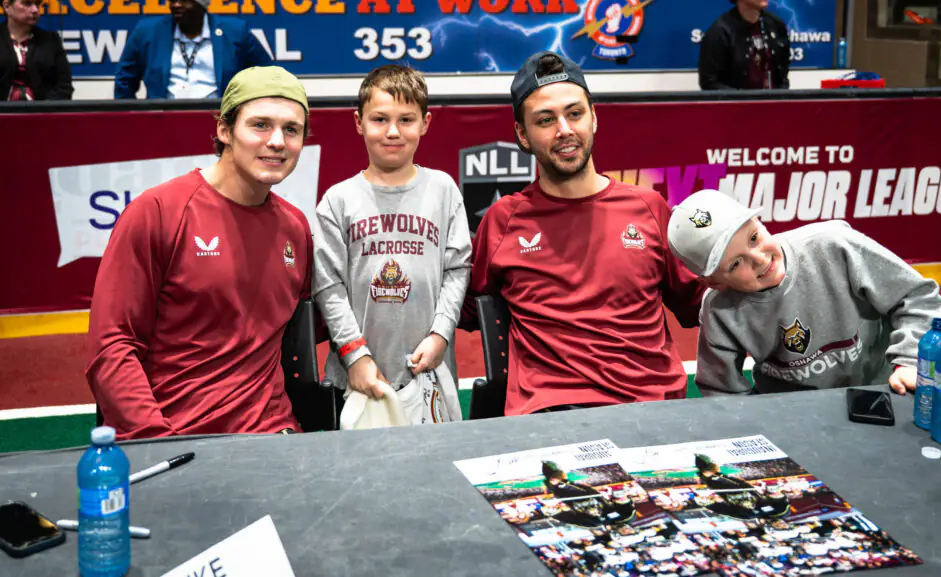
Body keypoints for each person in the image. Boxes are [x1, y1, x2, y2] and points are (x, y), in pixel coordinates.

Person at [460, 51, 705, 415]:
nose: (564, 130)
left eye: (574, 113)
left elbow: (699, 303)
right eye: (545, 120)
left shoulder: (649, 208)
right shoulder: (503, 220)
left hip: (653, 411)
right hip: (552, 416)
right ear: (522, 134)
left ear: (594, 117)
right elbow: (463, 307)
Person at [86, 66, 312, 439]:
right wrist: (155, 440)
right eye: (260, 125)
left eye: (292, 129)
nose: (277, 141)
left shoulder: (295, 228)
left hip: (274, 437)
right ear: (224, 130)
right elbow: (112, 347)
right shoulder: (158, 212)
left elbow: (310, 327)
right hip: (177, 438)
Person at [667, 189, 941, 397]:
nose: (760, 259)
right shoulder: (719, 309)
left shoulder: (835, 244)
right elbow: (722, 393)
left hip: (881, 392)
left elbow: (918, 296)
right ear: (713, 282)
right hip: (792, 416)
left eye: (754, 238)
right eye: (736, 264)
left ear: (759, 221)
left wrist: (910, 361)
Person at [312, 64, 471, 412]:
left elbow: (457, 269)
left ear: (425, 123)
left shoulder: (443, 190)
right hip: (356, 377)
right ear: (359, 122)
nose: (393, 131)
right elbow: (328, 285)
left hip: (430, 370)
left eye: (406, 120)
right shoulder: (337, 201)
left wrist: (441, 334)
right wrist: (354, 355)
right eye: (380, 119)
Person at [114, 0, 271, 99]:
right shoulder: (147, 31)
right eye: (173, 0)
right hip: (162, 120)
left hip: (219, 118)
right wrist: (132, 120)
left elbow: (267, 75)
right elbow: (125, 79)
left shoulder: (235, 31)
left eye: (184, 0)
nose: (176, 5)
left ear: (201, 5)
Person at [698, 0, 790, 90]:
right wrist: (740, 97)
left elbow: (782, 73)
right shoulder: (720, 32)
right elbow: (709, 82)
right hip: (737, 99)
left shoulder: (776, 25)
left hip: (774, 98)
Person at [1, 0, 72, 100]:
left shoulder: (50, 41)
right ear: (7, 6)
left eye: (37, 5)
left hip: (43, 108)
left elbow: (64, 86)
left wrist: (45, 107)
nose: (35, 10)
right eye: (27, 3)